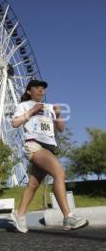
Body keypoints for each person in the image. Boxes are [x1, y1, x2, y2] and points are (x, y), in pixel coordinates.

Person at [11, 80, 88, 233]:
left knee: (33, 185)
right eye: (37, 88)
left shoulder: (49, 108)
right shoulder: (24, 106)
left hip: (49, 147)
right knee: (59, 173)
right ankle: (68, 217)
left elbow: (60, 129)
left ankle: (19, 215)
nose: (41, 91)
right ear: (29, 91)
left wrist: (58, 115)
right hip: (34, 144)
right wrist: (31, 111)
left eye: (43, 89)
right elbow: (15, 123)